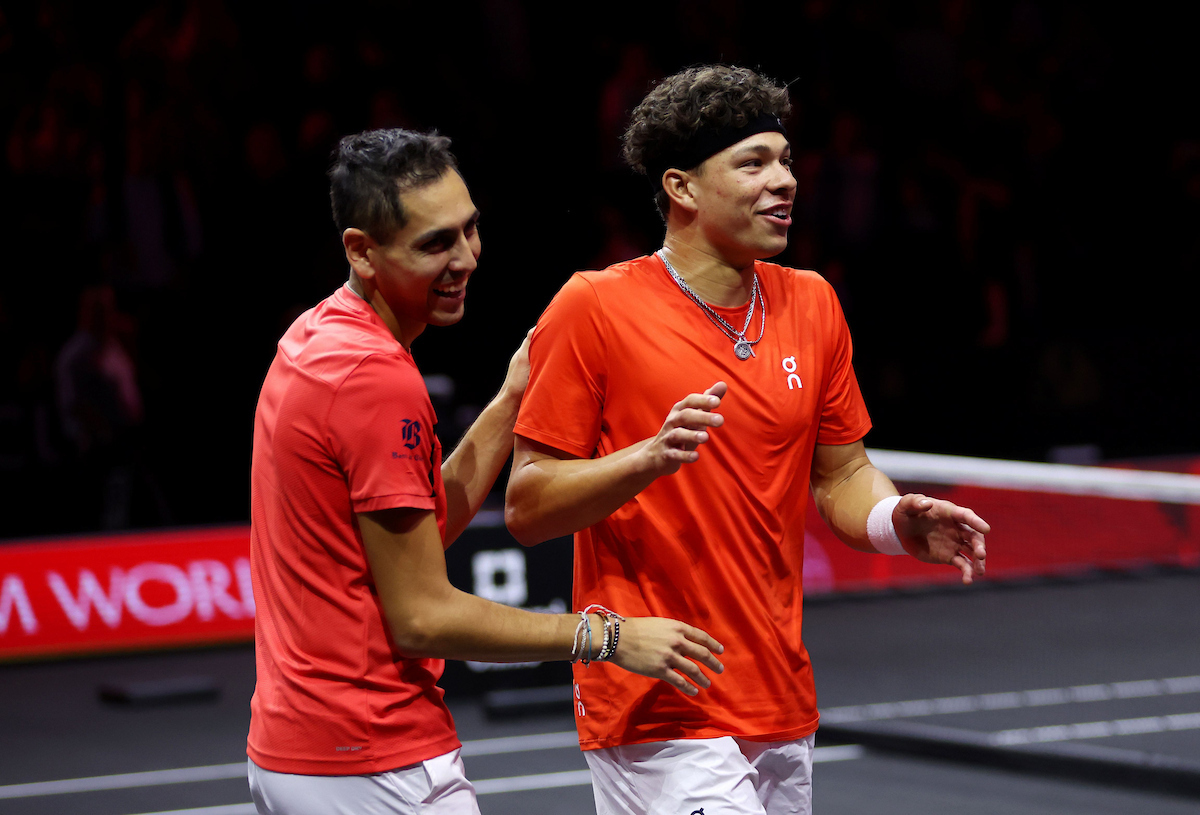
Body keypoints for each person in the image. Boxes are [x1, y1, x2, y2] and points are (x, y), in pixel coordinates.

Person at [505, 66, 991, 815]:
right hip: (657, 699)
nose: (785, 180)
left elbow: (840, 473)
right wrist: (646, 457)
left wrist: (895, 521)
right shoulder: (594, 305)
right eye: (753, 162)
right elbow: (529, 504)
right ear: (683, 188)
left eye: (786, 160)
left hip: (778, 689)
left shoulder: (813, 302)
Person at [246, 128, 725, 815]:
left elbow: (419, 530)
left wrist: (508, 401)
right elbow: (421, 616)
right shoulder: (377, 381)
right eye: (435, 244)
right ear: (362, 250)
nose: (466, 258)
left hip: (298, 749)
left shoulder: (315, 336)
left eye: (470, 230)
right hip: (372, 758)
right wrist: (607, 636)